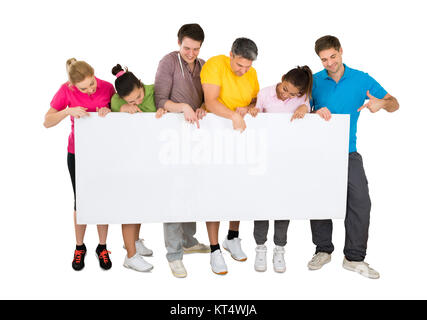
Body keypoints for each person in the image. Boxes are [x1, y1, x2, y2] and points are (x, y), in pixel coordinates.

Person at [308, 35, 399, 279]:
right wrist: (315, 111)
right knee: (320, 200)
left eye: (333, 57)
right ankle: (323, 250)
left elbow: (394, 103)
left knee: (360, 202)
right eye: (324, 60)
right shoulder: (314, 81)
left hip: (348, 151)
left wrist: (381, 104)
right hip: (320, 151)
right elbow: (300, 112)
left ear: (341, 51)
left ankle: (354, 257)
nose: (329, 63)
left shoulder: (361, 79)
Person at [44, 58, 115, 271]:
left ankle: (102, 247)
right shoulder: (65, 91)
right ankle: (79, 247)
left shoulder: (107, 87)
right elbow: (47, 121)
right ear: (73, 86)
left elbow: (121, 113)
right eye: (84, 88)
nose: (91, 89)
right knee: (81, 201)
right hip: (78, 153)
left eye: (92, 83)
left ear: (94, 75)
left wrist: (109, 112)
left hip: (103, 153)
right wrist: (68, 111)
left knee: (102, 200)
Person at [154, 23, 210, 278]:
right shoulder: (168, 62)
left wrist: (201, 108)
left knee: (194, 188)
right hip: (171, 138)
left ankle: (188, 241)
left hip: (196, 138)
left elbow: (205, 98)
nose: (191, 53)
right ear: (179, 44)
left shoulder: (203, 65)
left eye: (196, 49)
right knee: (173, 193)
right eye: (187, 48)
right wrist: (184, 107)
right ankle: (174, 253)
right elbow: (160, 101)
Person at [200, 37, 260, 275]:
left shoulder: (251, 73)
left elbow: (254, 98)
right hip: (215, 135)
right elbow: (211, 102)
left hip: (240, 137)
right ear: (231, 55)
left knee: (239, 187)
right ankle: (214, 249)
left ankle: (232, 237)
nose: (243, 70)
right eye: (239, 65)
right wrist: (234, 116)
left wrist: (250, 107)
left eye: (248, 67)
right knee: (214, 190)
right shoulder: (215, 65)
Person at [250, 66, 313, 273]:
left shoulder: (302, 99)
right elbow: (257, 118)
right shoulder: (265, 93)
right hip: (265, 156)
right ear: (282, 79)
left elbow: (306, 117)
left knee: (283, 203)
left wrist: (304, 108)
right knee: (262, 202)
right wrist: (254, 112)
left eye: (292, 94)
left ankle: (279, 248)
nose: (286, 95)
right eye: (285, 89)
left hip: (288, 159)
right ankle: (260, 247)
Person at [110, 64, 156, 272]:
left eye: (138, 96)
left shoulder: (155, 90)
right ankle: (130, 255)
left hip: (149, 157)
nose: (136, 102)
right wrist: (121, 108)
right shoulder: (118, 100)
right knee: (129, 205)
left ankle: (135, 241)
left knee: (141, 203)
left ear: (140, 84)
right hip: (128, 159)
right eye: (131, 101)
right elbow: (111, 104)